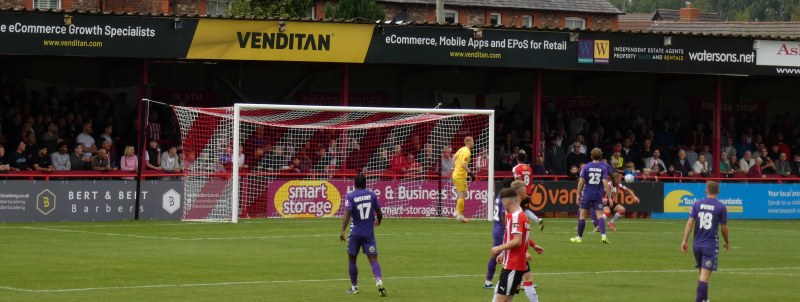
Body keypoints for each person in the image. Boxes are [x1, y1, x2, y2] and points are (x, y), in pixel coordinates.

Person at [681, 181, 729, 302]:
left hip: (696, 245)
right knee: (704, 277)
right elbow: (724, 228)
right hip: (710, 246)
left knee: (702, 273)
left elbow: (690, 223)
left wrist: (684, 241)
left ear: (706, 190)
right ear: (718, 192)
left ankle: (705, 299)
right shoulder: (721, 207)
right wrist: (727, 242)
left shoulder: (697, 204)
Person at [339, 173, 386, 297]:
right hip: (368, 234)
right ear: (366, 183)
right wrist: (378, 222)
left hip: (355, 233)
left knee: (352, 259)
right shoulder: (372, 195)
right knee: (373, 259)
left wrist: (343, 230)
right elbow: (380, 213)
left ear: (355, 184)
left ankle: (354, 288)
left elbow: (347, 214)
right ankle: (378, 280)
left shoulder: (350, 196)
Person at [490, 187, 540, 302]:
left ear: (507, 202)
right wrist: (504, 253)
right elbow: (522, 239)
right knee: (506, 299)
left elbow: (517, 241)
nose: (503, 206)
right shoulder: (522, 215)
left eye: (503, 204)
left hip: (513, 265)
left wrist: (498, 248)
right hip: (513, 263)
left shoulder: (516, 216)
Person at [572, 148, 613, 244]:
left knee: (582, 215)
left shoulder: (586, 167)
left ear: (591, 156)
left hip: (587, 194)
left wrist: (578, 194)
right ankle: (604, 236)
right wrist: (610, 197)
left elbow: (581, 182)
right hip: (598, 194)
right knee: (600, 216)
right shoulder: (603, 168)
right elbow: (605, 183)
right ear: (601, 156)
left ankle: (579, 237)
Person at [485, 178, 513, 289]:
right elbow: (503, 216)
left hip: (496, 229)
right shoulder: (505, 198)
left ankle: (488, 281)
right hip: (501, 230)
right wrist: (508, 227)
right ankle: (514, 283)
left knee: (496, 254)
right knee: (508, 255)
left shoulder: (499, 196)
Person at [512, 151, 544, 231]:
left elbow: (518, 181)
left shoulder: (516, 168)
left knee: (515, 208)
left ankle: (518, 225)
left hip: (520, 191)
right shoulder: (529, 168)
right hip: (528, 191)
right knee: (524, 209)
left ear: (517, 159)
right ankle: (537, 220)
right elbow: (530, 179)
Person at [451, 136, 474, 223]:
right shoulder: (467, 152)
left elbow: (453, 158)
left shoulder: (461, 149)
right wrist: (471, 173)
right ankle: (460, 215)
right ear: (469, 142)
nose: (473, 143)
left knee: (464, 193)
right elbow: (464, 165)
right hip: (459, 176)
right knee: (462, 195)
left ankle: (457, 212)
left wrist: (455, 168)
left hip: (457, 174)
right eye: (472, 141)